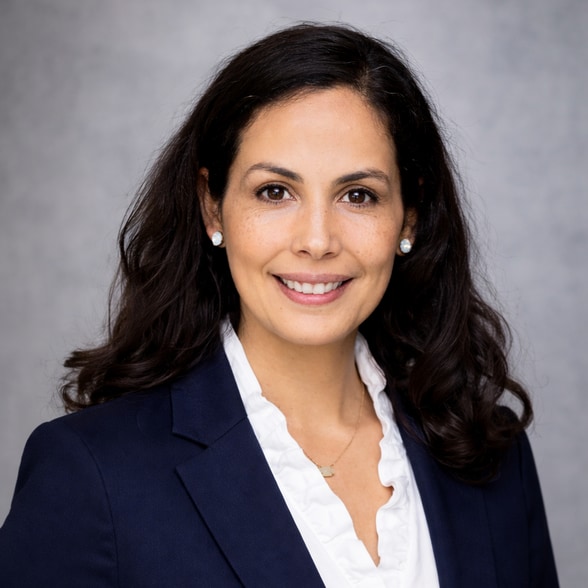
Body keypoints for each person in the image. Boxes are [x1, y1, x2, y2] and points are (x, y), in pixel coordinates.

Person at [0, 23, 558, 587]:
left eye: (358, 195)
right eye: (275, 192)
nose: (317, 240)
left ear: (408, 217)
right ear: (212, 207)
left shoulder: (491, 454)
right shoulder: (93, 474)